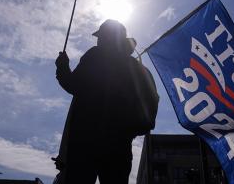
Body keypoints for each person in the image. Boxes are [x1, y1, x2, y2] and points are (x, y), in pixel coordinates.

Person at [55, 19, 159, 184]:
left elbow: (73, 85)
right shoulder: (138, 68)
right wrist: (130, 130)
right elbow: (151, 102)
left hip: (86, 141)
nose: (98, 40)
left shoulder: (96, 56)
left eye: (101, 36)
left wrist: (62, 67)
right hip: (120, 146)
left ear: (108, 38)